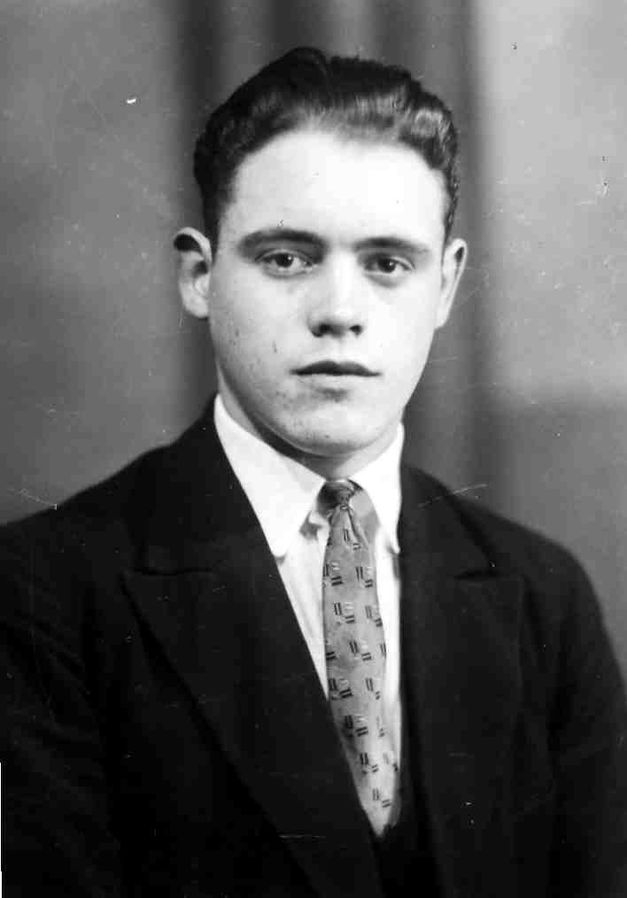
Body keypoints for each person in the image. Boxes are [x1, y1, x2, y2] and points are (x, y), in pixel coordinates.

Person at [1, 46, 626, 898]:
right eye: (287, 258)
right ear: (199, 276)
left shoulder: (542, 597)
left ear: (444, 287)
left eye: (387, 263)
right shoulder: (42, 593)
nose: (339, 312)